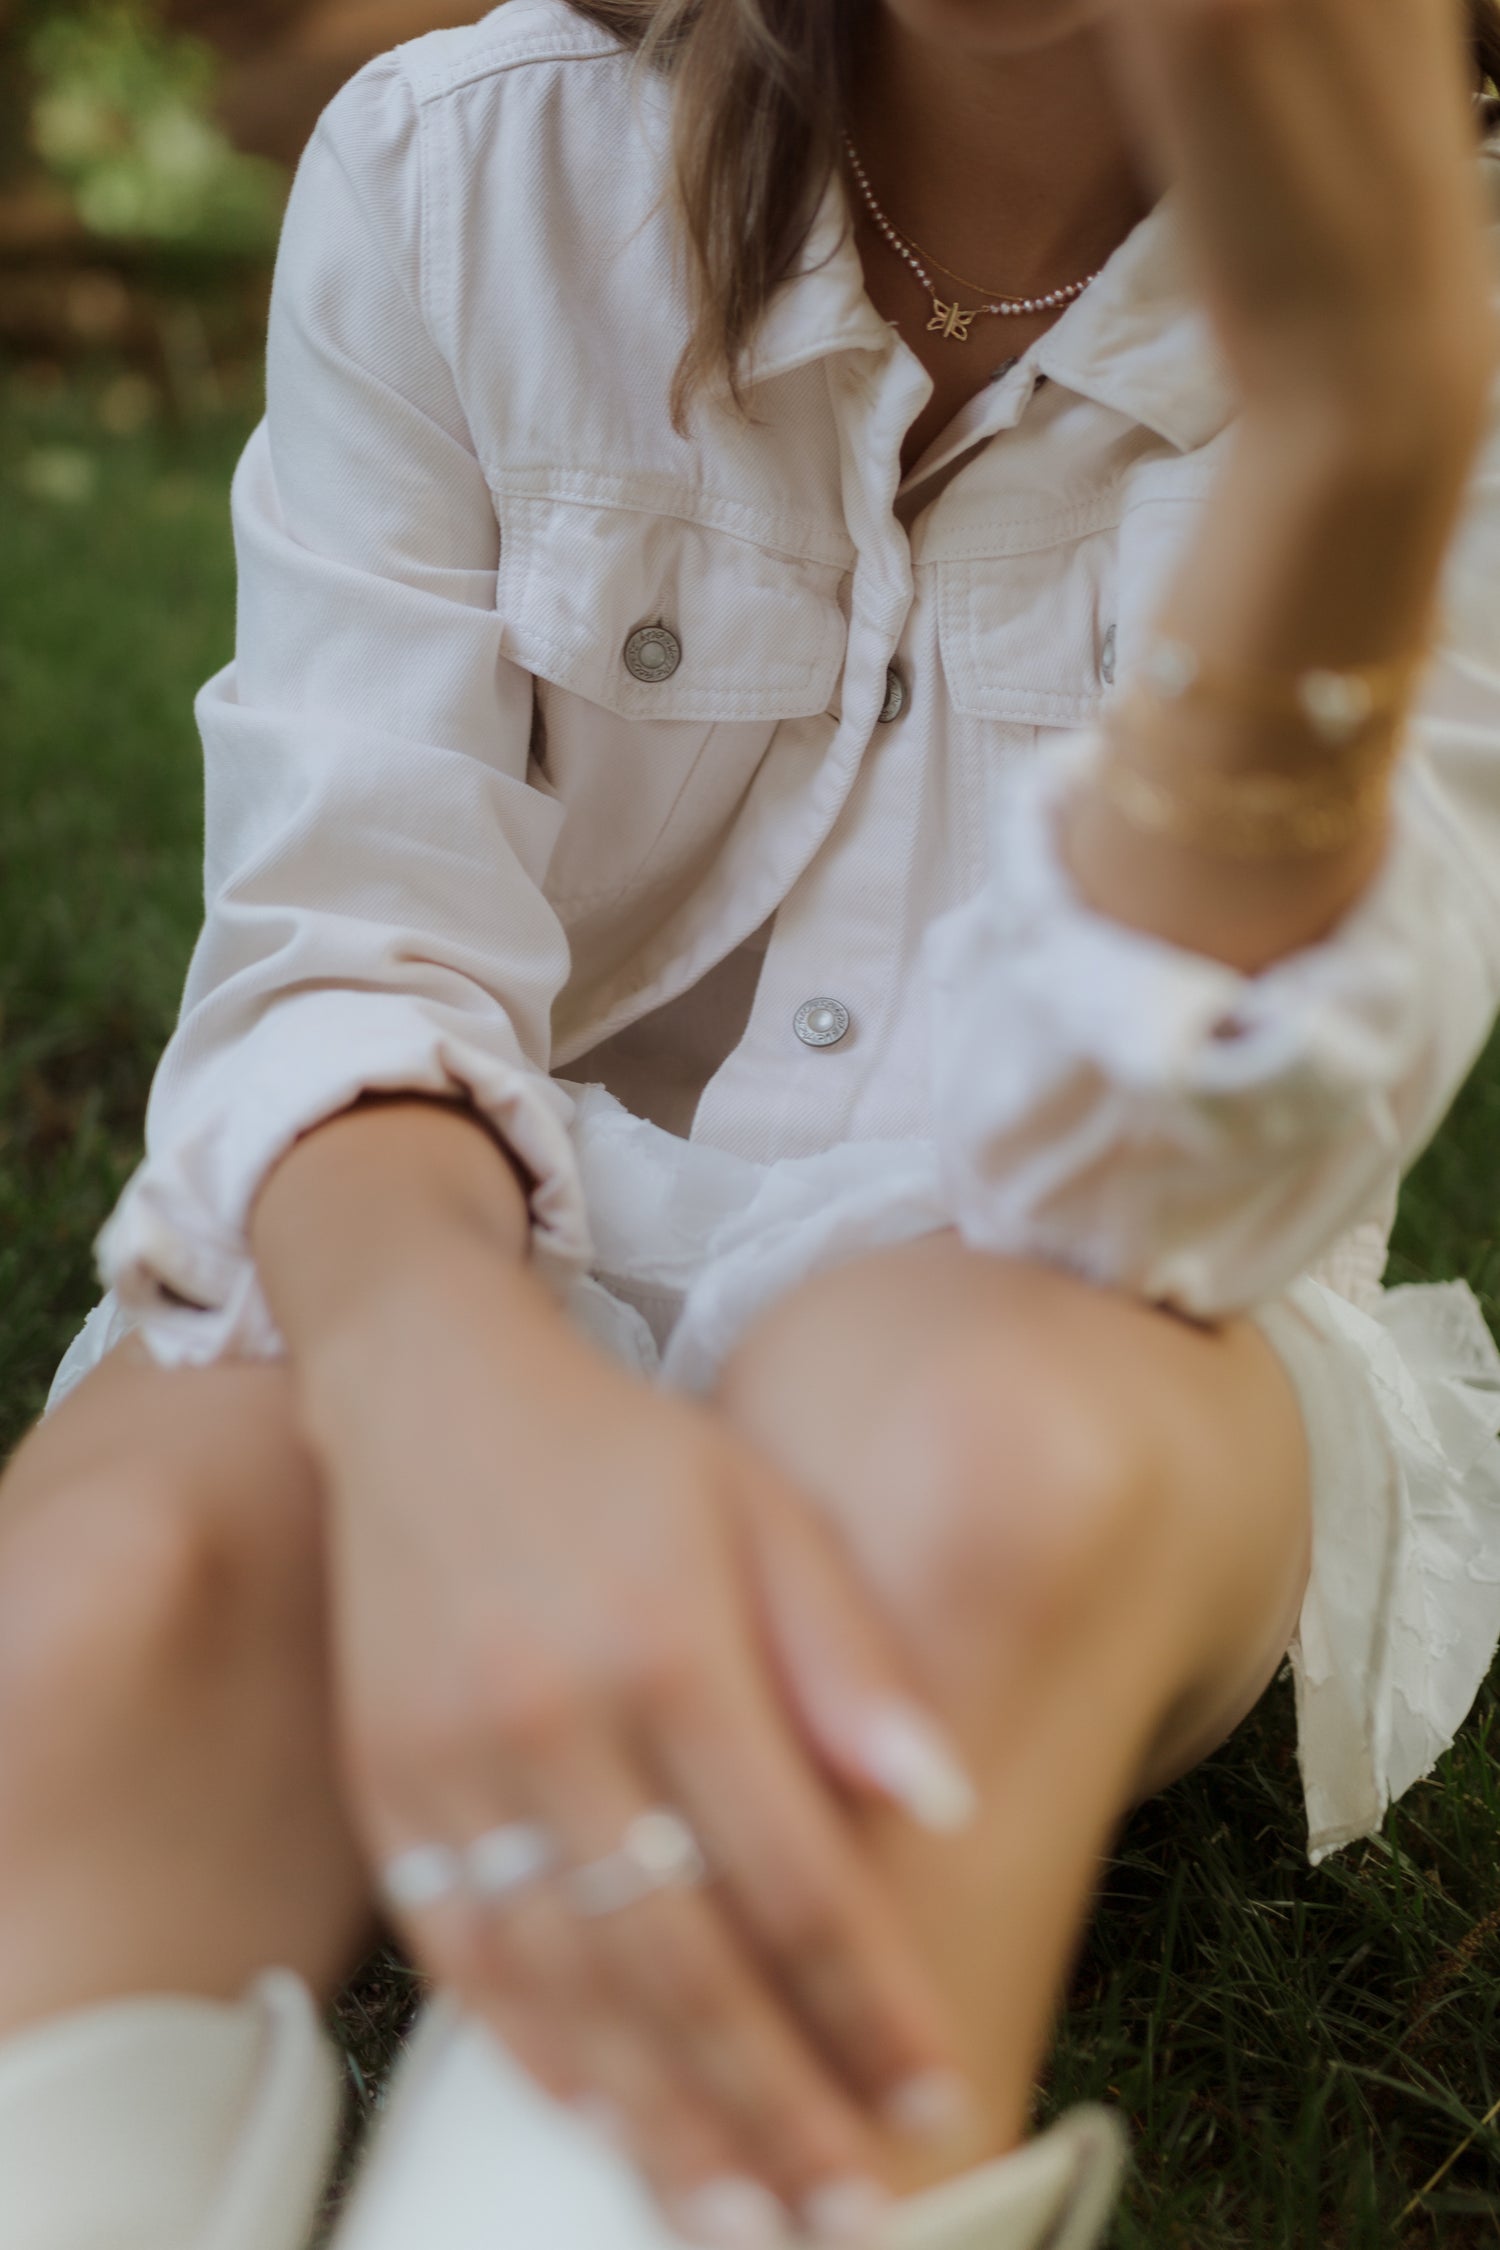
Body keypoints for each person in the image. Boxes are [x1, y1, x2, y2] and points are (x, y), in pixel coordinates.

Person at [4, 0, 1500, 2242]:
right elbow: (348, 954)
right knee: (118, 1602)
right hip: (462, 1215)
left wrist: (1356, 446)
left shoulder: (1447, 298)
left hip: (1085, 1342)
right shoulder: (464, 167)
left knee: (956, 1476)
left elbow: (1167, 1193)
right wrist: (451, 1398)